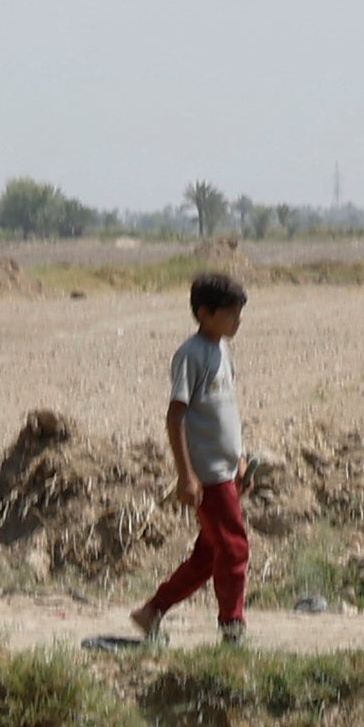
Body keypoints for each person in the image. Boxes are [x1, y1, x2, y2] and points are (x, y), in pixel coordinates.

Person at [122, 268, 250, 647]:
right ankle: (232, 628)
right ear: (204, 314)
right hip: (207, 477)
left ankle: (151, 612)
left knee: (208, 557)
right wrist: (186, 476)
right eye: (230, 313)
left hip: (226, 471)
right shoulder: (190, 356)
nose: (237, 320)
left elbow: (227, 409)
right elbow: (176, 415)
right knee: (234, 548)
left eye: (239, 313)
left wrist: (240, 459)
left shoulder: (223, 351)